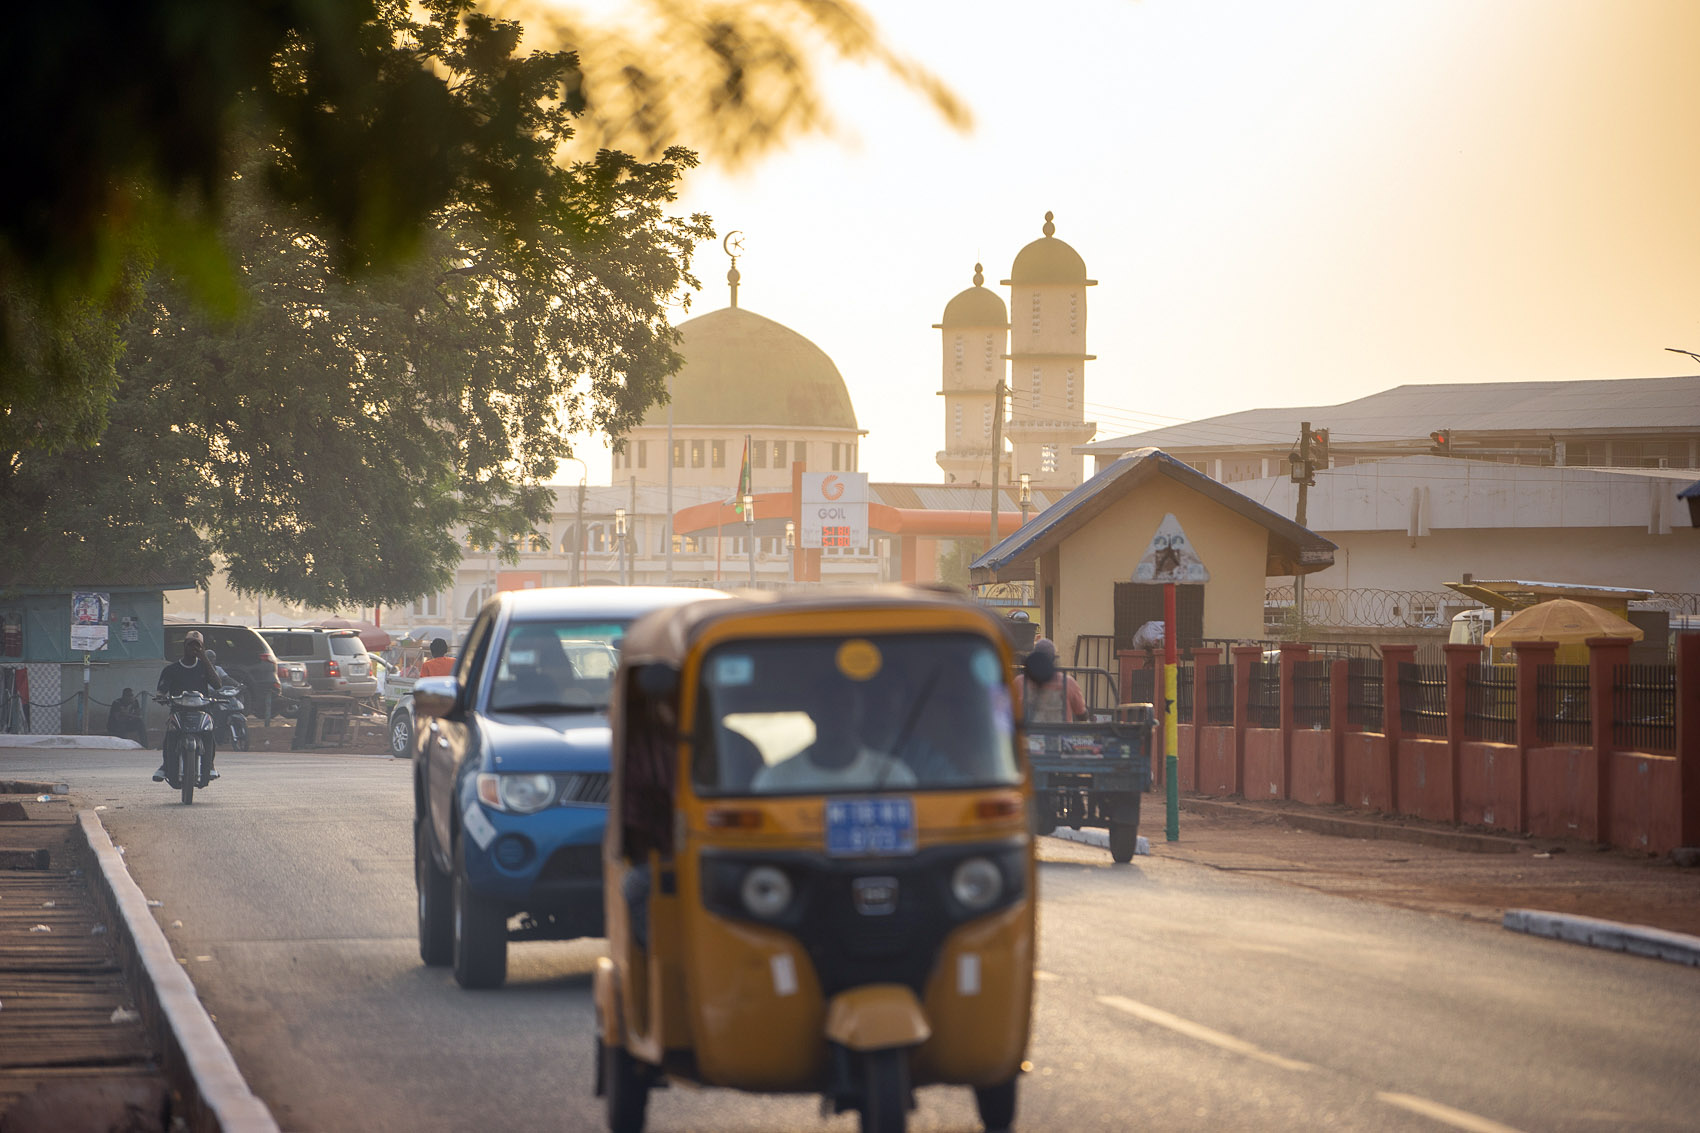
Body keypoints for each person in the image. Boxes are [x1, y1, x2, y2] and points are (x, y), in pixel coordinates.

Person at [751, 688, 916, 791]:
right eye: (827, 705)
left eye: (846, 705)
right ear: (811, 712)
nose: (836, 714)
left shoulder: (893, 776)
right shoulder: (776, 779)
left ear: (860, 712)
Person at [155, 630, 221, 785]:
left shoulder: (204, 667)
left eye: (197, 646)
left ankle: (210, 765)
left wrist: (204, 658)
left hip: (202, 711)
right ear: (184, 646)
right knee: (170, 734)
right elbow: (161, 691)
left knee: (209, 733)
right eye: (191, 645)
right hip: (179, 711)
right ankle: (166, 766)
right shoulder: (171, 669)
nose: (194, 649)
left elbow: (217, 685)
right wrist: (161, 697)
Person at [1013, 638, 1086, 724]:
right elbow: (1081, 713)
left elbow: (1007, 710)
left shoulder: (1019, 681)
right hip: (1061, 734)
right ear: (1053, 659)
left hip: (1028, 734)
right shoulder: (1067, 682)